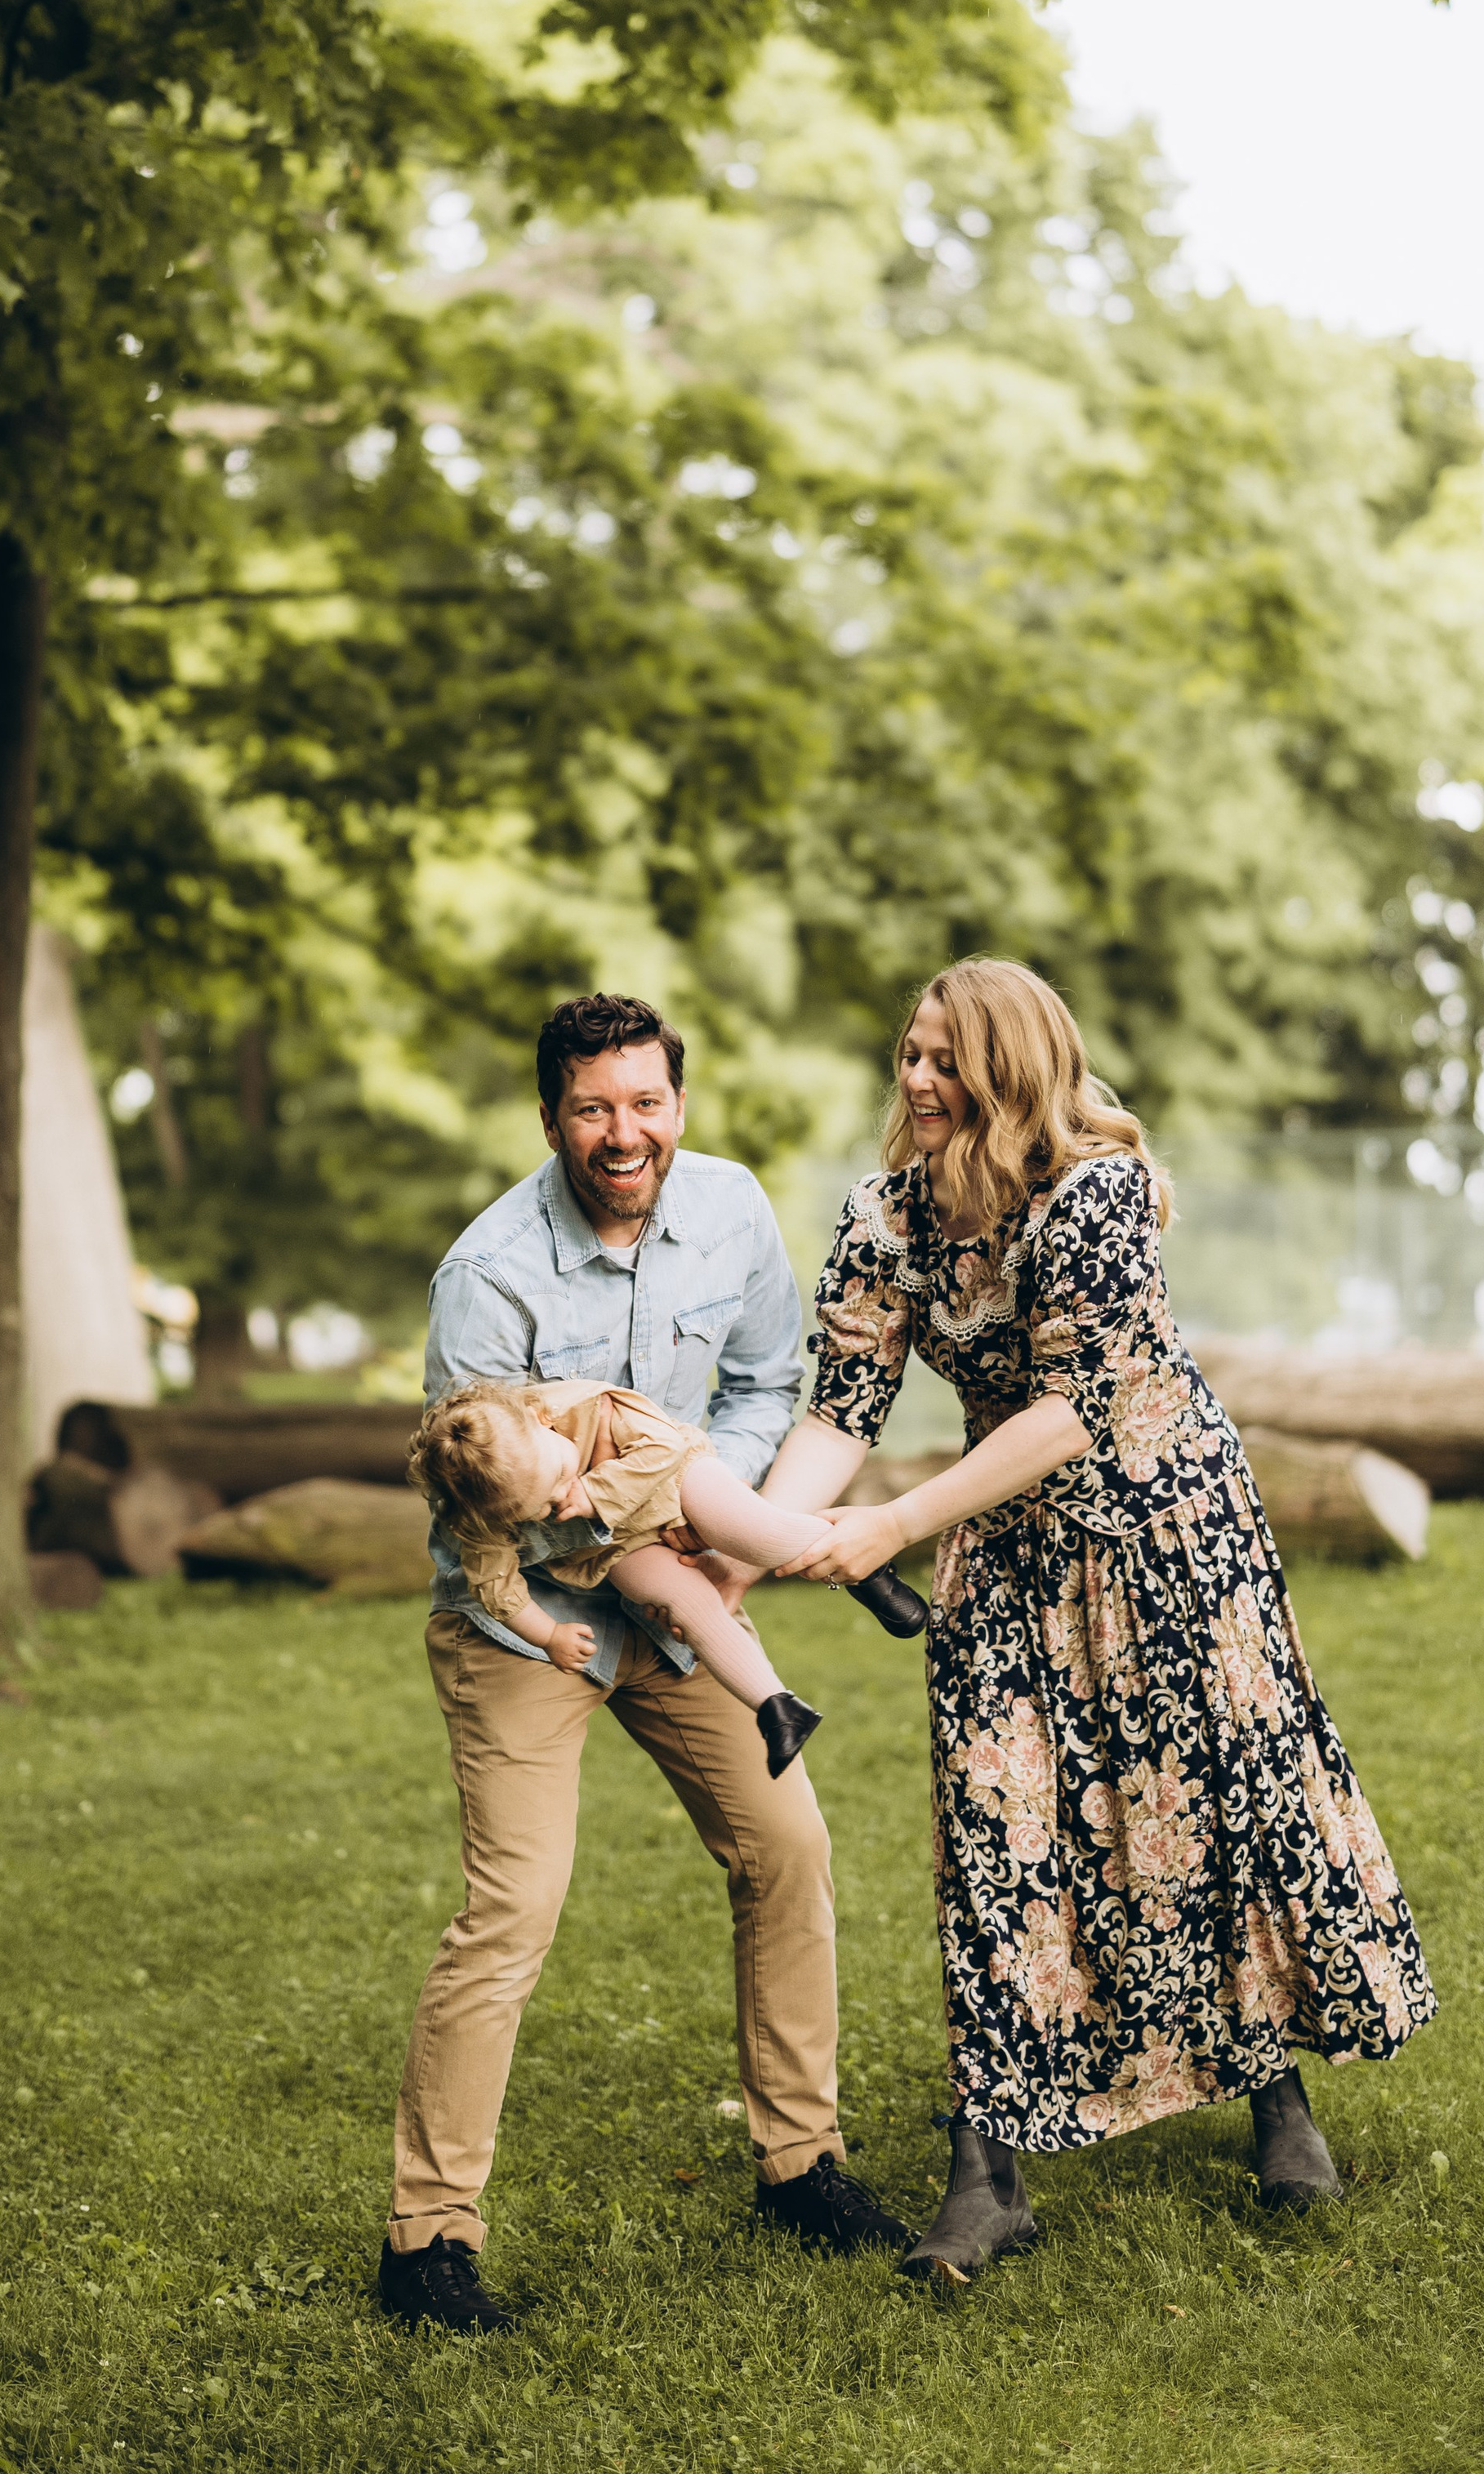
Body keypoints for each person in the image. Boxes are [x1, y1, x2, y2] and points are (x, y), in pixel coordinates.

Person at [778, 958, 1437, 2286]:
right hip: (1008, 1548)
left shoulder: (1096, 1189)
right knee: (994, 1827)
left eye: (943, 1060)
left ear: (1009, 1070)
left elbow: (1071, 1409)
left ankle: (1275, 2096)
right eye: (908, 1053)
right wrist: (758, 1542)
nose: (914, 1081)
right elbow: (839, 1408)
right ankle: (987, 2171)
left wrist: (897, 1527)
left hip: (1163, 1531)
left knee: (1217, 1813)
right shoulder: (886, 1215)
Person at [377, 991, 912, 2335]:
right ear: (552, 1114)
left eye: (648, 1101)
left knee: (786, 1844)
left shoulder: (729, 1211)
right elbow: (479, 1515)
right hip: (528, 1621)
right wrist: (590, 1590)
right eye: (595, 1107)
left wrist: (711, 1544)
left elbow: (758, 1380)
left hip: (680, 1579)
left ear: (679, 1099)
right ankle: (428, 2239)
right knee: (516, 1910)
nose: (627, 1132)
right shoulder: (488, 1277)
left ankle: (802, 2163)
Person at [408, 1374, 927, 1776]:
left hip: (677, 1481)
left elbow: (667, 1449)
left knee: (756, 1533)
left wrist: (596, 1492)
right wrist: (549, 1635)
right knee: (686, 1604)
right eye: (543, 1509)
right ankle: (778, 1706)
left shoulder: (589, 1405)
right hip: (621, 1544)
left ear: (543, 1419)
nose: (562, 1498)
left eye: (562, 1477)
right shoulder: (481, 1510)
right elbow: (497, 1588)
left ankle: (863, 1567)